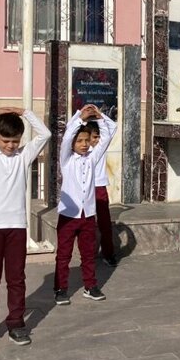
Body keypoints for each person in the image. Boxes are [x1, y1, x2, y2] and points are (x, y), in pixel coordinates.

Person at [0, 107, 51, 349]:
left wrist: (26, 113)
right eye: (6, 140)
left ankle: (16, 323)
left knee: (16, 279)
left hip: (16, 226)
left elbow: (44, 135)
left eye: (15, 141)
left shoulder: (24, 156)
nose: (11, 145)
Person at [53, 105, 116, 306]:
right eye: (79, 141)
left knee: (88, 254)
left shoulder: (92, 158)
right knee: (64, 255)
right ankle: (61, 288)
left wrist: (99, 116)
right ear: (72, 143)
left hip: (88, 215)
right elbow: (66, 138)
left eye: (86, 141)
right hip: (68, 216)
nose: (83, 144)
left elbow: (108, 134)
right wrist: (80, 118)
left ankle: (90, 285)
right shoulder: (66, 160)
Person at [85, 120, 118, 267]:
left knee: (105, 224)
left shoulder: (101, 147)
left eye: (98, 137)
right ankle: (88, 255)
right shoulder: (81, 151)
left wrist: (99, 116)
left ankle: (108, 254)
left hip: (100, 189)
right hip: (86, 190)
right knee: (87, 224)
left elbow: (113, 126)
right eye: (93, 137)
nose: (96, 140)